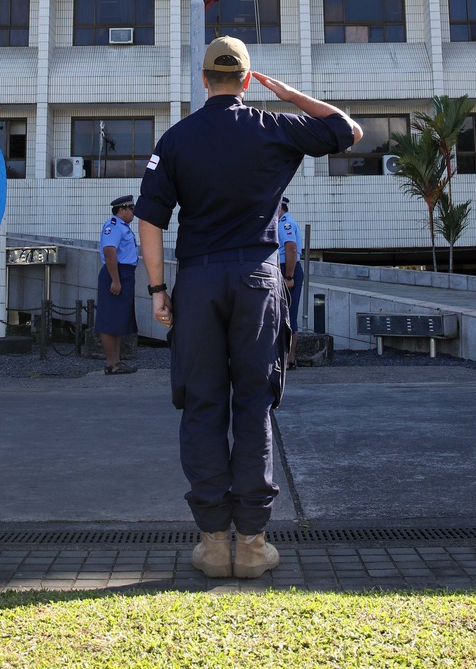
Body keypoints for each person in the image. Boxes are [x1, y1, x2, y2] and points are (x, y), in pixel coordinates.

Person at [135, 36, 361, 580]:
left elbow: (150, 220)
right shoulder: (273, 126)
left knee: (202, 403)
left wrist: (157, 291)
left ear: (204, 78)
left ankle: (214, 544)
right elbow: (347, 130)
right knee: (254, 405)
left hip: (200, 279)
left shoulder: (177, 138)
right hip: (258, 281)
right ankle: (254, 545)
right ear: (246, 78)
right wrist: (288, 94)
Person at [95, 194, 139, 375]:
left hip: (125, 274)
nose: (133, 213)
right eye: (131, 209)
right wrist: (115, 280)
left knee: (119, 320)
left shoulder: (123, 227)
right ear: (121, 209)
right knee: (109, 321)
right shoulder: (113, 226)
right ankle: (111, 364)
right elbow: (109, 251)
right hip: (116, 273)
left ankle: (117, 362)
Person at [278, 198, 304, 369]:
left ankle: (290, 359)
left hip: (287, 268)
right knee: (283, 314)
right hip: (285, 267)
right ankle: (286, 358)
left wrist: (288, 276)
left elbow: (291, 248)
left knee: (288, 314)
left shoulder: (284, 223)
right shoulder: (282, 222)